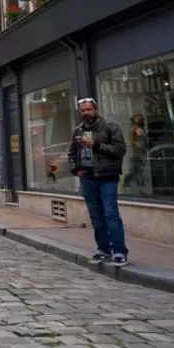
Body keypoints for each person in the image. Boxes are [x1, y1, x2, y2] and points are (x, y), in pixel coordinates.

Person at [68, 97, 128, 266]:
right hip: (88, 178)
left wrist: (96, 145)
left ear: (96, 110)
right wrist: (75, 169)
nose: (86, 113)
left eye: (89, 110)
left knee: (110, 213)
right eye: (83, 111)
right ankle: (103, 250)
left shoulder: (110, 127)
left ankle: (119, 252)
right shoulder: (78, 130)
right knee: (96, 216)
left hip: (107, 176)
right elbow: (71, 153)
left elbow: (120, 150)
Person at [121, 113, 149, 195]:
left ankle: (138, 188)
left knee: (139, 171)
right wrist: (136, 152)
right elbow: (133, 142)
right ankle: (124, 184)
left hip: (142, 152)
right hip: (137, 153)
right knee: (133, 170)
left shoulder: (141, 129)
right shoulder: (134, 130)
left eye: (140, 118)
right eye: (138, 119)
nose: (140, 120)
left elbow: (143, 141)